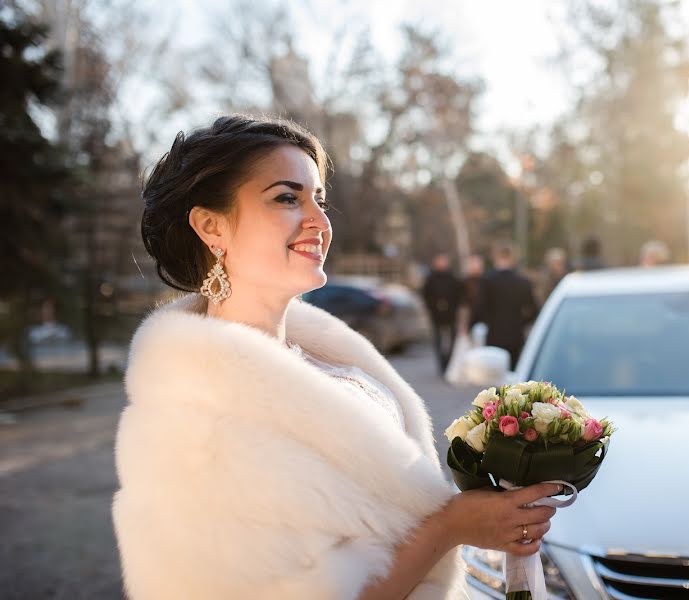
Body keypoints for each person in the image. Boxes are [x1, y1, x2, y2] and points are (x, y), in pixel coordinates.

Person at [112, 116, 561, 600]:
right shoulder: (190, 420)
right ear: (210, 225)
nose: (319, 222)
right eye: (287, 198)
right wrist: (450, 527)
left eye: (319, 200)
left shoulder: (329, 358)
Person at [473, 243, 538, 368]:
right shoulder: (522, 281)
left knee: (495, 377)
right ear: (512, 258)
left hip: (494, 336)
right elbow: (534, 310)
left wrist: (489, 322)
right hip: (516, 336)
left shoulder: (487, 281)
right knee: (514, 379)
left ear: (496, 258)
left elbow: (480, 309)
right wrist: (521, 322)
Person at [422, 253, 462, 375]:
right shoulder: (431, 278)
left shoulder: (453, 277)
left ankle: (450, 362)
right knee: (438, 340)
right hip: (436, 314)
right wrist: (433, 306)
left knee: (452, 340)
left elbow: (458, 294)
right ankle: (441, 364)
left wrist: (453, 307)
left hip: (451, 314)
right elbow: (426, 294)